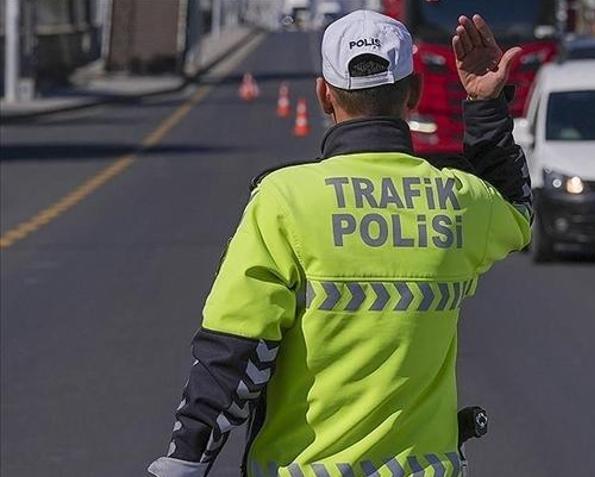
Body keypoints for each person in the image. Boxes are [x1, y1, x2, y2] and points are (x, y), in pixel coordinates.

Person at [148, 10, 531, 477]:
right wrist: (486, 106)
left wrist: (187, 459)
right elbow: (517, 209)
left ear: (325, 95)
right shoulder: (457, 198)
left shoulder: (284, 200)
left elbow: (235, 349)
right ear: (414, 94)